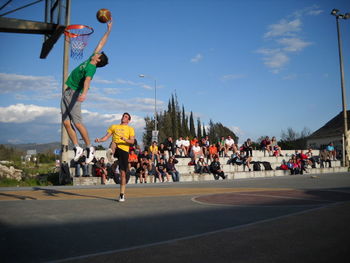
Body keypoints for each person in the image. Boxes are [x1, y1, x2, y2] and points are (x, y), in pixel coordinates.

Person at [61, 20, 113, 164]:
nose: (98, 51)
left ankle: (89, 147)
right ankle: (78, 147)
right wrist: (108, 31)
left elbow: (87, 81)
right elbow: (101, 43)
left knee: (77, 123)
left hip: (75, 94)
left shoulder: (91, 68)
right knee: (66, 122)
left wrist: (84, 93)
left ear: (98, 59)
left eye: (99, 53)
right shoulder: (92, 58)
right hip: (66, 93)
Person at [95, 112, 135, 202]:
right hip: (115, 147)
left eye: (126, 117)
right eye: (123, 116)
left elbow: (132, 141)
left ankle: (122, 194)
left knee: (123, 174)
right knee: (113, 142)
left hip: (124, 150)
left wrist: (125, 139)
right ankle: (111, 154)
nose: (123, 117)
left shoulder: (130, 129)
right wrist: (99, 140)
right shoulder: (114, 126)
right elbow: (106, 137)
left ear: (128, 120)